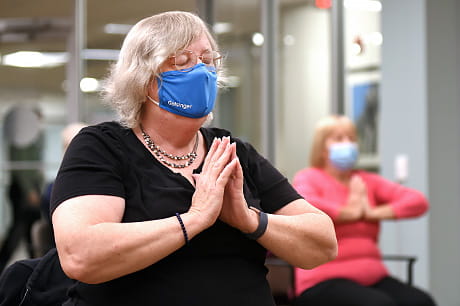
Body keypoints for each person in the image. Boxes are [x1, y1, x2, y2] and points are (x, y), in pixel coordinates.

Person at [50, 11, 337, 306]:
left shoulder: (232, 152)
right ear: (146, 79)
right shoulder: (102, 147)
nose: (202, 72)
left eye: (208, 60)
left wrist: (250, 220)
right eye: (183, 61)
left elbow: (323, 245)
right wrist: (194, 219)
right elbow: (80, 255)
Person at [292, 115, 436, 306]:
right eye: (339, 138)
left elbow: (418, 202)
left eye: (351, 138)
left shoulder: (366, 181)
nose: (347, 144)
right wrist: (348, 212)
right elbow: (303, 204)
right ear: (322, 149)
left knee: (420, 301)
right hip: (322, 280)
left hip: (373, 277)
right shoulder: (308, 177)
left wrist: (371, 213)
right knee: (379, 304)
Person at [0, 106, 44, 273]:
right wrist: (30, 191)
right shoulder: (22, 139)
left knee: (27, 228)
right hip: (23, 190)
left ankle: (35, 266)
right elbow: (23, 170)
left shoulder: (28, 138)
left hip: (26, 189)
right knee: (19, 229)